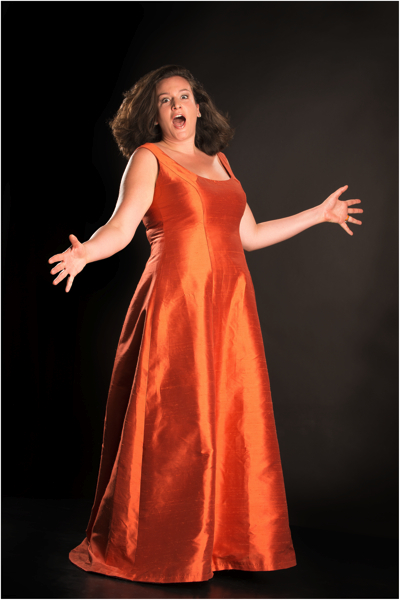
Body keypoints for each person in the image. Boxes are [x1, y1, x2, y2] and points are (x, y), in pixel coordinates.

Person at [49, 65, 363, 584]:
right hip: (177, 304)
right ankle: (165, 546)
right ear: (155, 114)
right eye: (165, 99)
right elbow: (122, 226)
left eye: (184, 96)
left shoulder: (220, 161)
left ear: (198, 107)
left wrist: (318, 214)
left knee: (228, 423)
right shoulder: (148, 159)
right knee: (177, 427)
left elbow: (249, 235)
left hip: (229, 308)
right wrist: (86, 254)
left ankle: (219, 544)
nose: (176, 105)